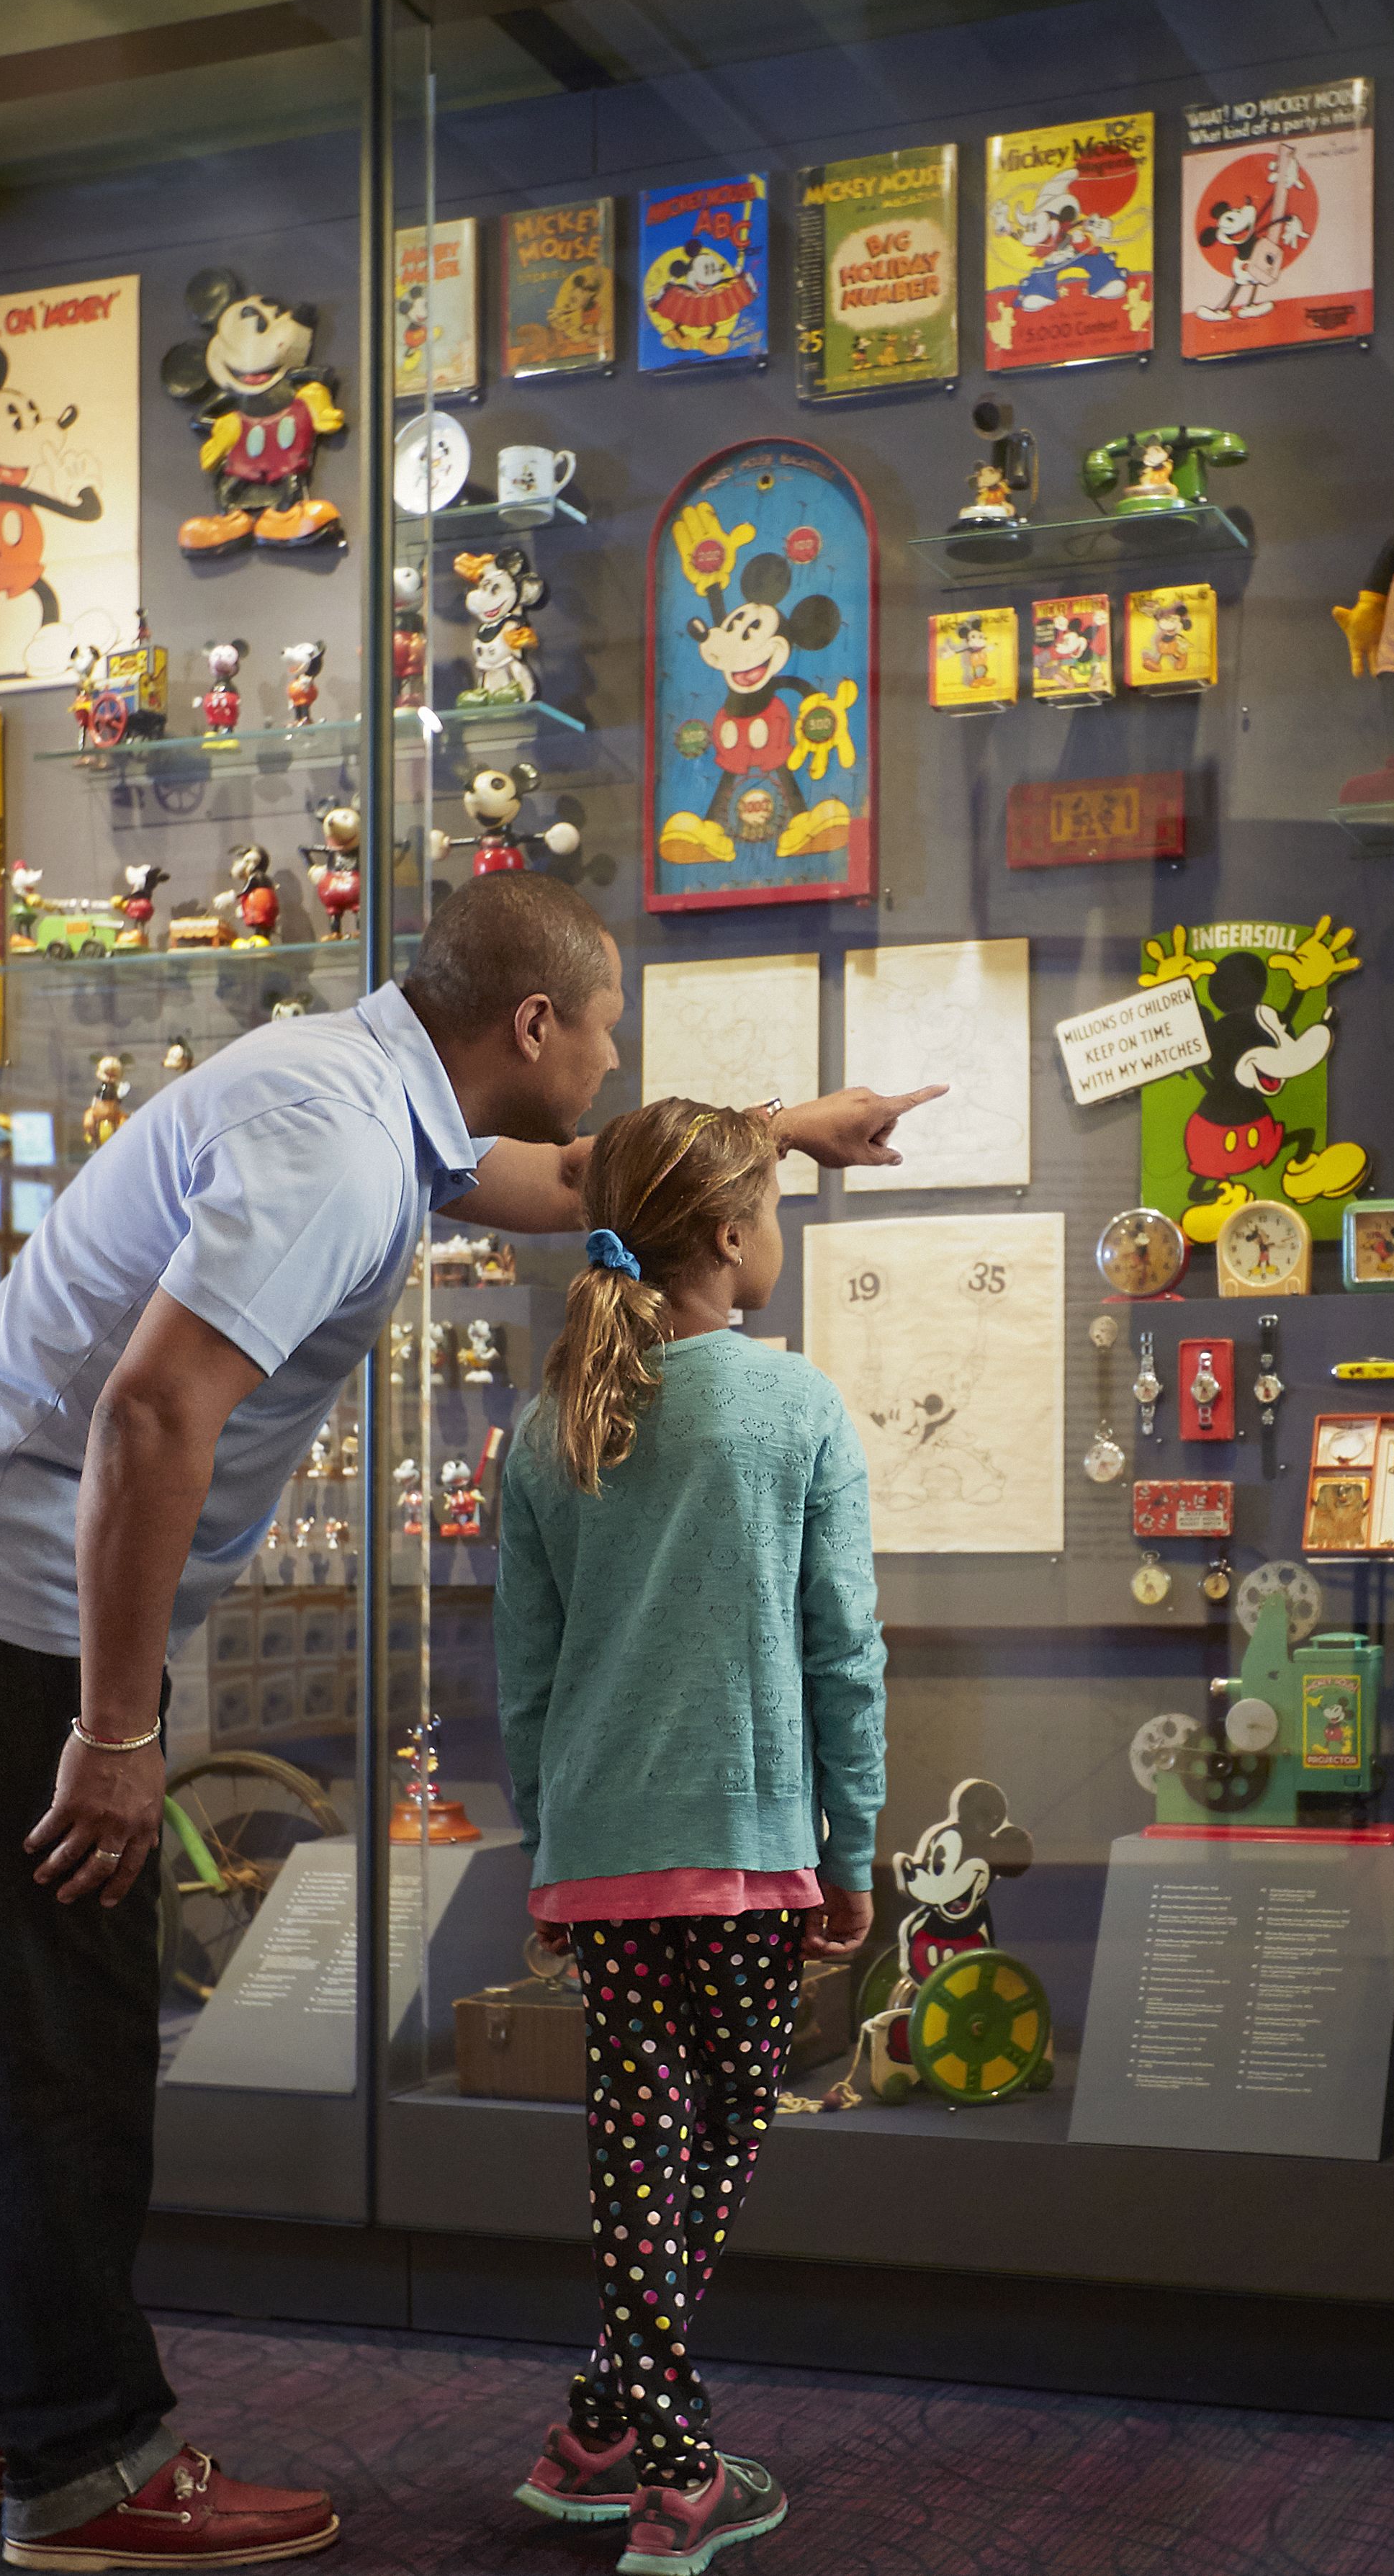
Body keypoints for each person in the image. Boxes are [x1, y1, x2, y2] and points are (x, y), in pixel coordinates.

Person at [0, 876, 932, 2569]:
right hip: (3, 1584)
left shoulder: (374, 1095)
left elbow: (587, 1183)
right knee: (65, 2029)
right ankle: (85, 2462)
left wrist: (790, 1126)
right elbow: (151, 1409)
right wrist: (119, 1730)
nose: (622, 1051)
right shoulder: (341, 1146)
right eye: (612, 1022)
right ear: (535, 1027)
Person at [495, 1100, 883, 2576]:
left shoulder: (551, 1423)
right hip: (744, 1848)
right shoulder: (793, 1412)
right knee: (710, 2135)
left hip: (600, 1856)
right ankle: (672, 2461)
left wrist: (547, 1853)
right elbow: (843, 1653)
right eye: (773, 1209)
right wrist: (849, 1850)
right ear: (729, 1235)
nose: (776, 1234)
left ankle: (594, 2424)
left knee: (637, 2137)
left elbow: (520, 1681)